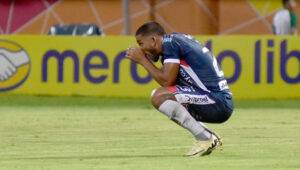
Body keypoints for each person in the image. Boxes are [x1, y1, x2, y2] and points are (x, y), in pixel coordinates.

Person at [125, 21, 234, 157]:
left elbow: (166, 81)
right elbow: (172, 84)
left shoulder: (169, 43)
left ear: (153, 40)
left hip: (216, 100)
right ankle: (208, 135)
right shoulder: (176, 41)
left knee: (158, 96)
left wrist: (142, 60)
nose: (141, 49)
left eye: (141, 44)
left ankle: (205, 138)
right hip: (218, 100)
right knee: (168, 97)